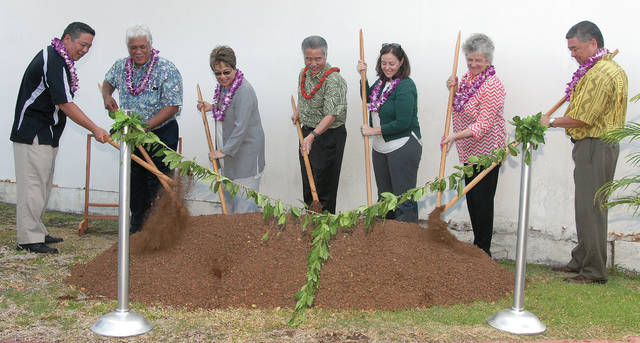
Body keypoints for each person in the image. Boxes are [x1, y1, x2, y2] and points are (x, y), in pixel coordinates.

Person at [10, 22, 110, 254]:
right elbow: (64, 103)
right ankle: (27, 239)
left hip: (48, 133)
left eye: (89, 47)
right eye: (82, 44)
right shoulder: (52, 59)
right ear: (67, 39)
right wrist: (95, 128)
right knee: (33, 186)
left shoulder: (60, 60)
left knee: (43, 184)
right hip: (32, 132)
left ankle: (37, 230)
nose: (85, 50)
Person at [541, 21, 627, 284]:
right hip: (595, 145)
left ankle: (593, 271)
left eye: (575, 48)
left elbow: (583, 118)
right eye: (570, 49)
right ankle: (582, 258)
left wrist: (551, 122)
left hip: (596, 144)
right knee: (586, 207)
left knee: (591, 209)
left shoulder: (601, 74)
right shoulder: (601, 69)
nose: (572, 54)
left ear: (593, 44)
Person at [102, 24, 183, 233]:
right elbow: (107, 83)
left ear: (150, 45)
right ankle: (137, 226)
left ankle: (160, 228)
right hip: (132, 135)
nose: (138, 52)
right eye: (133, 48)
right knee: (134, 180)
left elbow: (173, 105)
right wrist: (107, 96)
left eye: (142, 47)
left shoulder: (166, 68)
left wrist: (147, 126)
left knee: (158, 179)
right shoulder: (120, 67)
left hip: (161, 133)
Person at [440, 33, 506, 256]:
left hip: (488, 152)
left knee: (483, 203)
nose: (474, 64)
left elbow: (482, 125)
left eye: (479, 60)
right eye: (470, 59)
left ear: (488, 60)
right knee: (472, 200)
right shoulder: (468, 79)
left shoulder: (492, 85)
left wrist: (453, 137)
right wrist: (454, 88)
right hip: (469, 152)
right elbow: (460, 107)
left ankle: (483, 251)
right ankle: (478, 248)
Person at [357, 43, 422, 223]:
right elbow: (369, 100)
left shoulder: (406, 86)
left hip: (402, 146)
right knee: (385, 199)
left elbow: (403, 122)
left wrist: (373, 130)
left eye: (391, 63)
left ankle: (405, 243)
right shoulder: (381, 83)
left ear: (401, 62)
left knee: (403, 199)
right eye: (384, 63)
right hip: (380, 147)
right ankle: (386, 242)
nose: (387, 67)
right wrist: (363, 77)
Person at [197, 46, 265, 213]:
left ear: (235, 68)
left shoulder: (244, 90)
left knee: (244, 208)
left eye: (227, 72)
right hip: (229, 156)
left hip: (245, 155)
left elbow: (240, 126)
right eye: (217, 73)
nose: (222, 77)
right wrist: (212, 107)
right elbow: (229, 109)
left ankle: (246, 238)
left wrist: (223, 151)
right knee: (230, 205)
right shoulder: (224, 88)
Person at [291, 36, 347, 214]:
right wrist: (299, 111)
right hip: (307, 134)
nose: (313, 63)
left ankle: (325, 230)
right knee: (309, 183)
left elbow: (331, 114)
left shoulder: (334, 80)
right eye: (308, 58)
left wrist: (313, 136)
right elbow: (303, 95)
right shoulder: (303, 73)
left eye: (318, 59)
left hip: (328, 136)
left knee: (324, 187)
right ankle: (310, 222)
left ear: (326, 55)